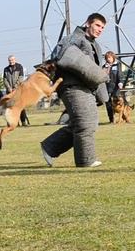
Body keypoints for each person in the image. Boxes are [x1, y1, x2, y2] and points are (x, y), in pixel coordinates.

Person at [41, 13, 107, 168]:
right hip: (71, 86)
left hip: (86, 88)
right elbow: (59, 56)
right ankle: (86, 161)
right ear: (87, 23)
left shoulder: (95, 45)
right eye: (97, 25)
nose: (100, 30)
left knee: (86, 123)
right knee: (85, 123)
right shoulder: (74, 38)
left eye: (103, 28)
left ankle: (50, 147)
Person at [3, 55, 29, 126]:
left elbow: (20, 78)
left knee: (21, 107)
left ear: (15, 60)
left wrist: (15, 87)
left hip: (18, 90)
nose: (11, 61)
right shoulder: (6, 69)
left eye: (12, 60)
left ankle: (23, 121)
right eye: (9, 60)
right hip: (10, 92)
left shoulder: (19, 67)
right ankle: (15, 122)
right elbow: (5, 80)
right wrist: (9, 88)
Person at [103, 51, 122, 123]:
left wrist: (120, 82)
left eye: (109, 57)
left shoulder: (117, 65)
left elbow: (120, 74)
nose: (108, 59)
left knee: (117, 103)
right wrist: (105, 69)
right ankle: (111, 119)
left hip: (116, 87)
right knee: (108, 104)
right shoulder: (104, 66)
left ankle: (121, 118)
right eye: (107, 58)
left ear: (113, 58)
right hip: (107, 87)